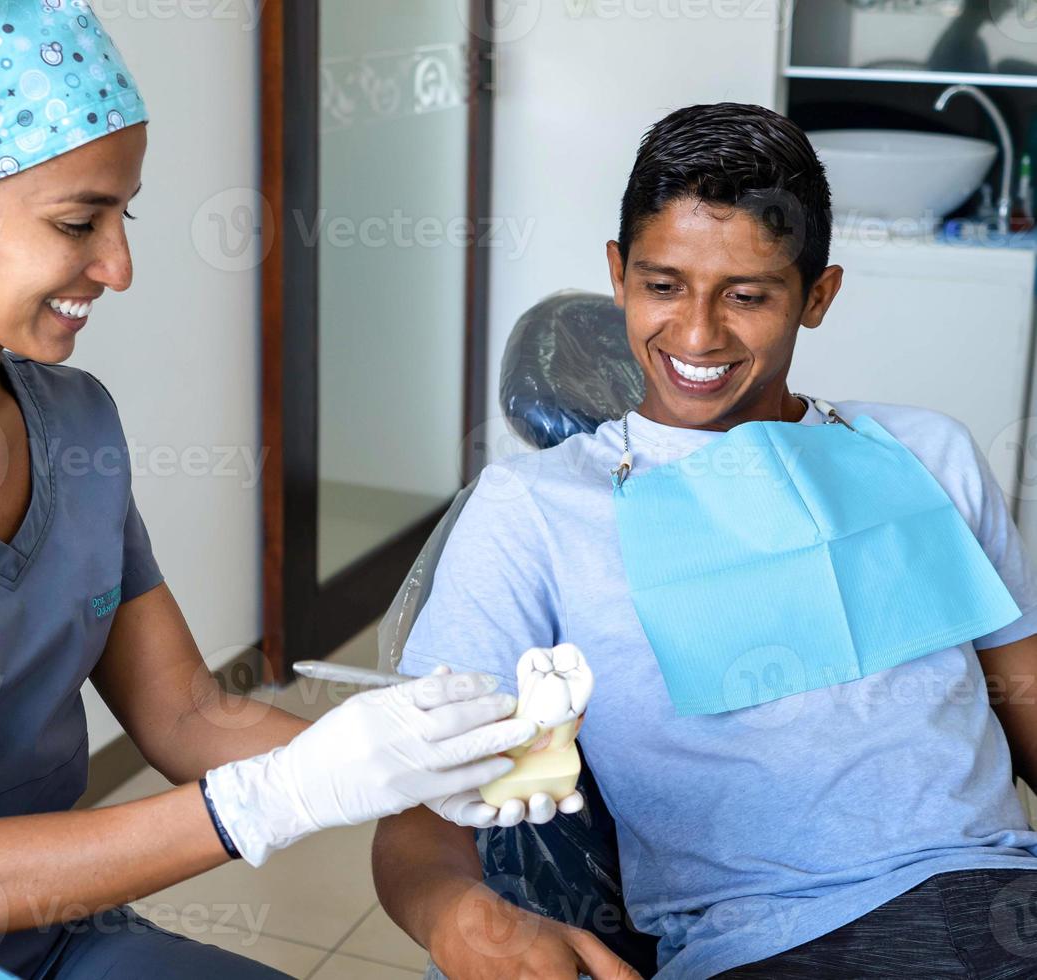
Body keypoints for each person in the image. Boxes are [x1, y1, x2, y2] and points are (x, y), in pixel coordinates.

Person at [0, 2, 558, 978]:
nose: (119, 267)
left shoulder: (73, 420)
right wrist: (282, 795)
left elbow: (182, 712)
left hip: (43, 929)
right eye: (77, 222)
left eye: (123, 215)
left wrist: (421, 763)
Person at [371, 101, 1037, 980]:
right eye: (662, 285)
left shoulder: (930, 454)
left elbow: (1020, 692)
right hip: (776, 943)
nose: (696, 335)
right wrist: (458, 916)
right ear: (618, 275)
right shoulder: (534, 510)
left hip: (1006, 901)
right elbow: (421, 812)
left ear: (819, 295)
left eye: (748, 296)